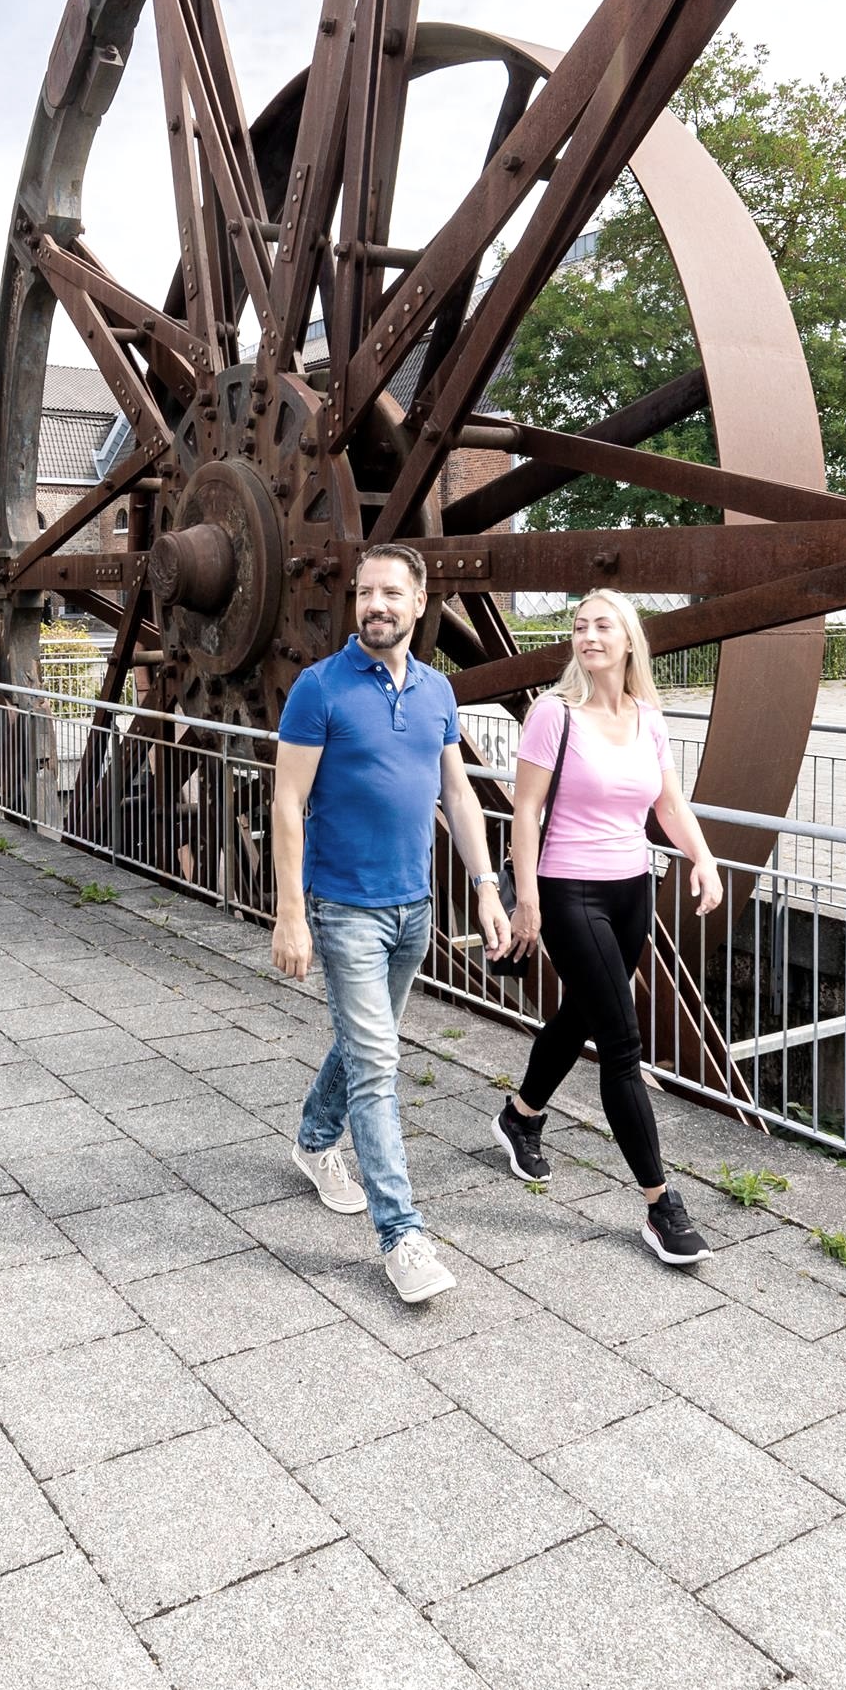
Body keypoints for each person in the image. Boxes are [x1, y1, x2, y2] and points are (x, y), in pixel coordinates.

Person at [271, 542, 511, 1306]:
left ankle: (314, 1140)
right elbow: (287, 803)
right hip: (344, 908)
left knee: (363, 1043)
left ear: (419, 602)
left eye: (390, 593)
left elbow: (457, 795)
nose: (374, 604)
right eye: (364, 592)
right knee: (378, 1062)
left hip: (414, 907)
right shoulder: (319, 688)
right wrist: (289, 914)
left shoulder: (437, 691)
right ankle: (402, 1236)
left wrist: (485, 886)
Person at [498, 590, 727, 1267]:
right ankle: (661, 1205)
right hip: (569, 890)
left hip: (633, 889)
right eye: (580, 626)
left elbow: (668, 803)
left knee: (580, 1015)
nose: (589, 635)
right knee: (622, 1043)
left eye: (603, 625)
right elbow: (526, 811)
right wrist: (527, 900)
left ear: (629, 640)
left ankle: (520, 1116)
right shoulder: (553, 713)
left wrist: (703, 858)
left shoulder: (648, 718)